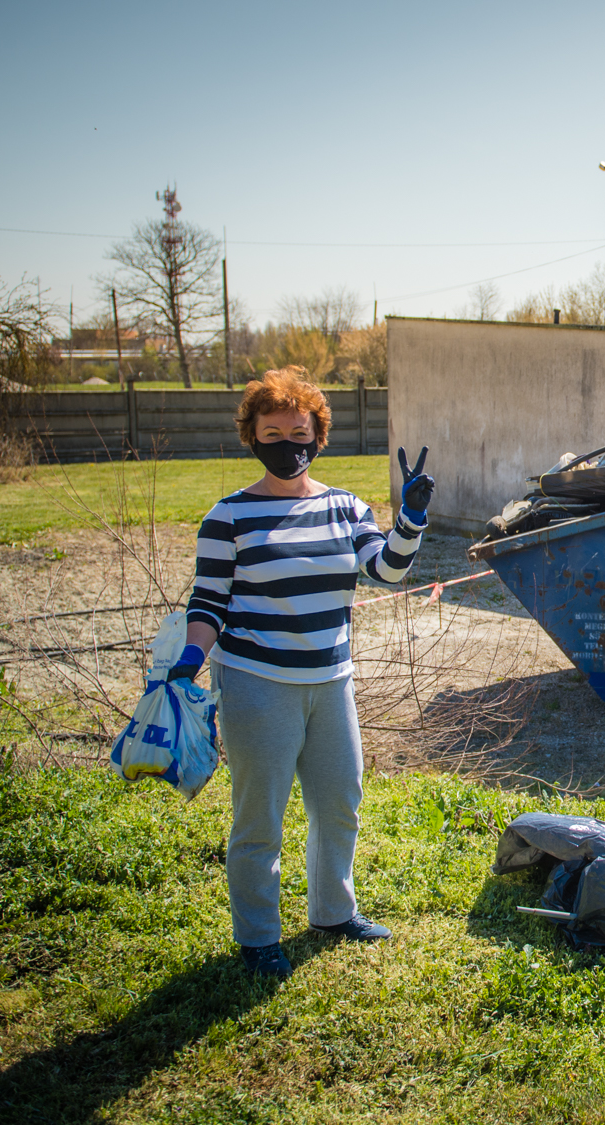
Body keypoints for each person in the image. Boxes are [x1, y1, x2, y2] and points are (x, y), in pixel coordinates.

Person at [174, 367, 435, 978]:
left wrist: (411, 521)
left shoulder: (346, 507)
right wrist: (191, 657)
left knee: (339, 803)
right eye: (273, 432)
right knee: (259, 816)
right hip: (255, 684)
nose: (289, 444)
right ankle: (259, 935)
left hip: (331, 681)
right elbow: (208, 602)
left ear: (319, 436)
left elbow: (386, 572)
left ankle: (332, 913)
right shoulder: (228, 516)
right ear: (253, 437)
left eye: (301, 431)